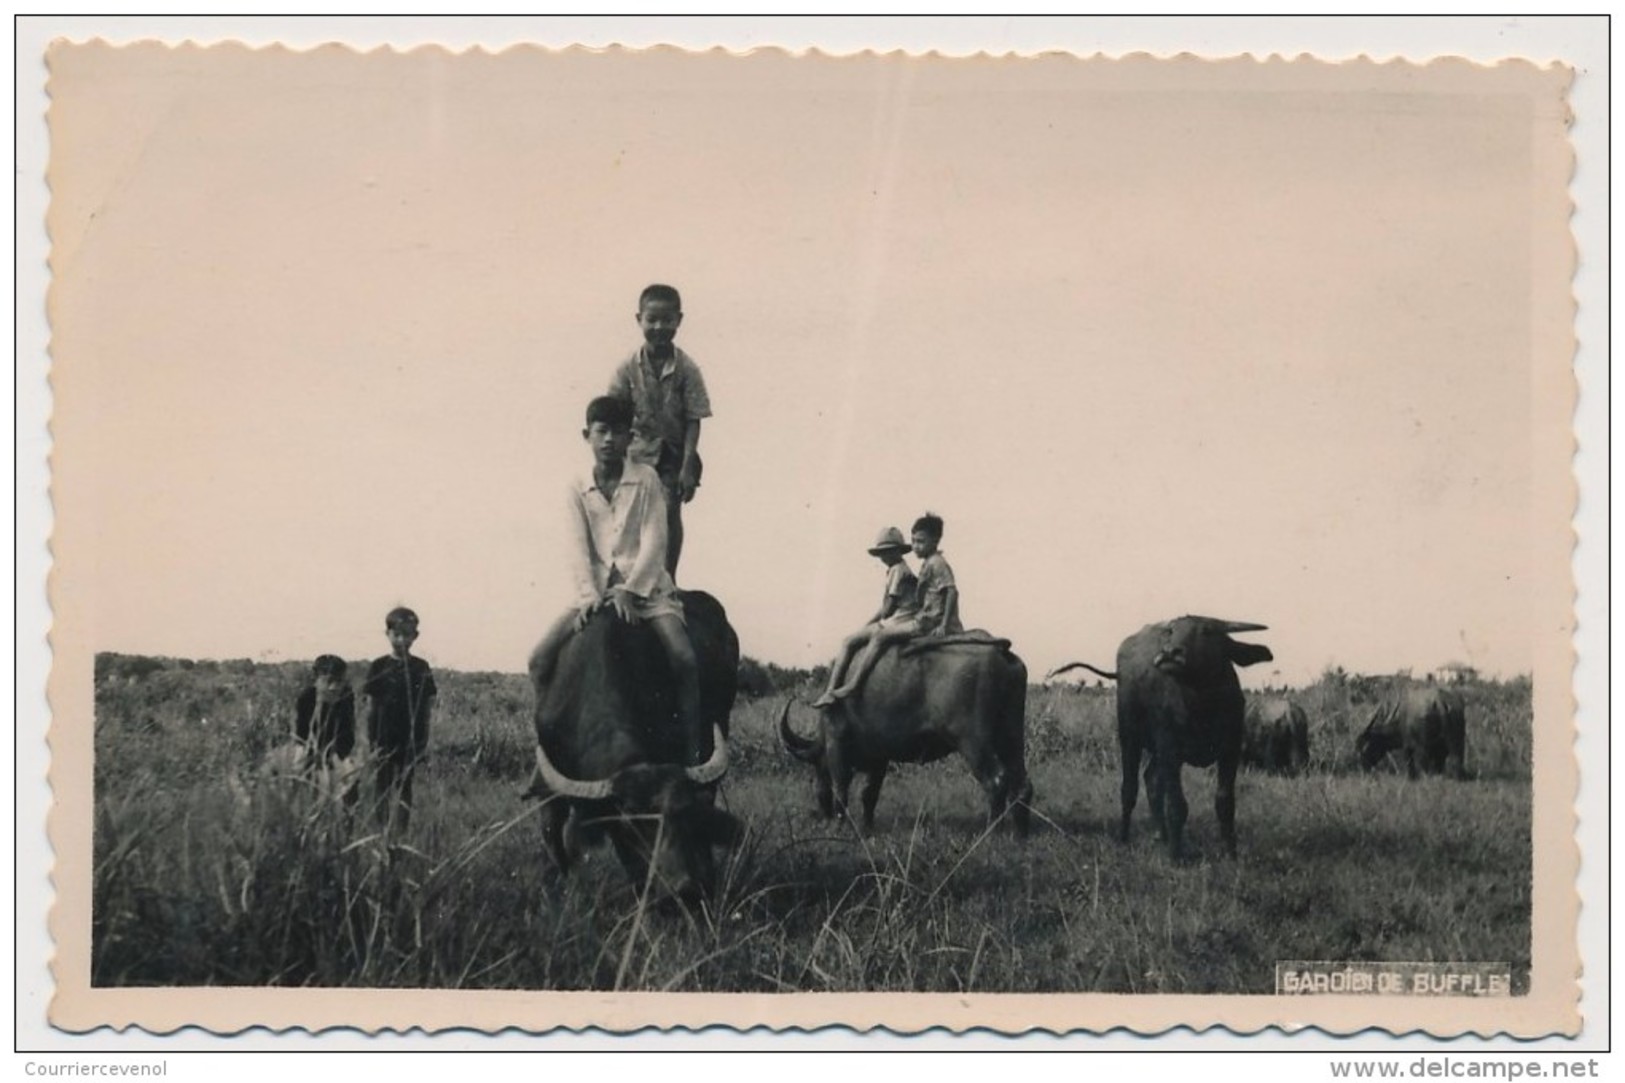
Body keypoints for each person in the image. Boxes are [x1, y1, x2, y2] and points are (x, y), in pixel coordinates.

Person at [527, 396, 707, 765]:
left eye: (619, 432)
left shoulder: (647, 480)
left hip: (647, 592)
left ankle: (692, 749)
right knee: (538, 659)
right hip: (592, 592)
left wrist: (630, 590)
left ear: (631, 437)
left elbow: (656, 541)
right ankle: (547, 753)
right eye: (601, 431)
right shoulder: (576, 486)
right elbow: (576, 546)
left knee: (684, 658)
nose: (609, 440)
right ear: (586, 436)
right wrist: (590, 595)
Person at [606, 283, 712, 579]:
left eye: (667, 320)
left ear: (679, 320)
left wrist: (689, 463)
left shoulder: (687, 369)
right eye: (651, 319)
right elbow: (613, 413)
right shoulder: (627, 368)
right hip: (636, 451)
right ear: (638, 319)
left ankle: (668, 576)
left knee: (668, 510)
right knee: (628, 513)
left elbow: (694, 418)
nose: (659, 327)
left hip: (673, 453)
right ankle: (625, 572)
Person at [822, 512, 963, 703]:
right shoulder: (928, 564)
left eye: (921, 541)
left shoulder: (936, 564)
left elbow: (952, 592)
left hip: (928, 621)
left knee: (880, 636)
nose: (916, 546)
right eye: (913, 541)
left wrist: (944, 625)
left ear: (935, 541)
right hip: (924, 617)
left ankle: (855, 683)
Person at [810, 527, 920, 708]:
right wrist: (870, 622)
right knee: (861, 634)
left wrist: (875, 622)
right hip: (904, 617)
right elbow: (886, 607)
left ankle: (831, 690)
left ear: (897, 552)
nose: (883, 557)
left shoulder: (897, 571)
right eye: (881, 553)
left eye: (887, 552)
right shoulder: (901, 569)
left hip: (899, 620)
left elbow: (888, 608)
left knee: (847, 642)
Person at [362, 607, 436, 829]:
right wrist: (369, 739)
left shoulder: (421, 667)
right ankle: (379, 832)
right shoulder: (378, 666)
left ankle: (401, 833)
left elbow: (426, 707)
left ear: (416, 635)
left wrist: (423, 739)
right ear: (387, 634)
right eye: (397, 634)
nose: (402, 640)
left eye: (408, 634)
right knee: (381, 787)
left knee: (405, 786)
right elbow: (370, 706)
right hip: (382, 738)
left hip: (409, 739)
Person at [293, 654, 357, 766]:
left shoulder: (346, 696)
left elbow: (347, 734)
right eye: (329, 681)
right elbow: (301, 733)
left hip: (337, 751)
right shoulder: (306, 698)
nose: (334, 687)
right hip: (311, 748)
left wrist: (341, 759)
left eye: (339, 681)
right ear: (316, 680)